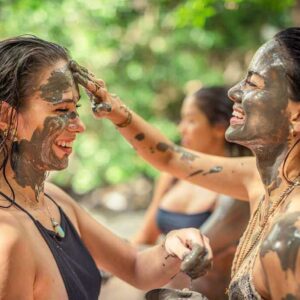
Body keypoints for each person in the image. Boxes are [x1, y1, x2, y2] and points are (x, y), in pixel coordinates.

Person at [73, 27, 300, 299]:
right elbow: (170, 157)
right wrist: (114, 108)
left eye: (253, 83)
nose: (233, 92)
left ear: (296, 115)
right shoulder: (259, 178)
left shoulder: (291, 234)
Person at [0, 36, 212, 300]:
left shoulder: (55, 200)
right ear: (6, 117)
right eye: (61, 109)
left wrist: (174, 244)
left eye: (75, 109)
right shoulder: (6, 238)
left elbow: (135, 266)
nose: (79, 125)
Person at [130, 86, 250, 299]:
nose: (181, 129)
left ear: (218, 128)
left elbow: (199, 260)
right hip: (161, 285)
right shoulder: (171, 177)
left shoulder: (236, 190)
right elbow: (145, 236)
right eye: (181, 120)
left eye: (191, 121)